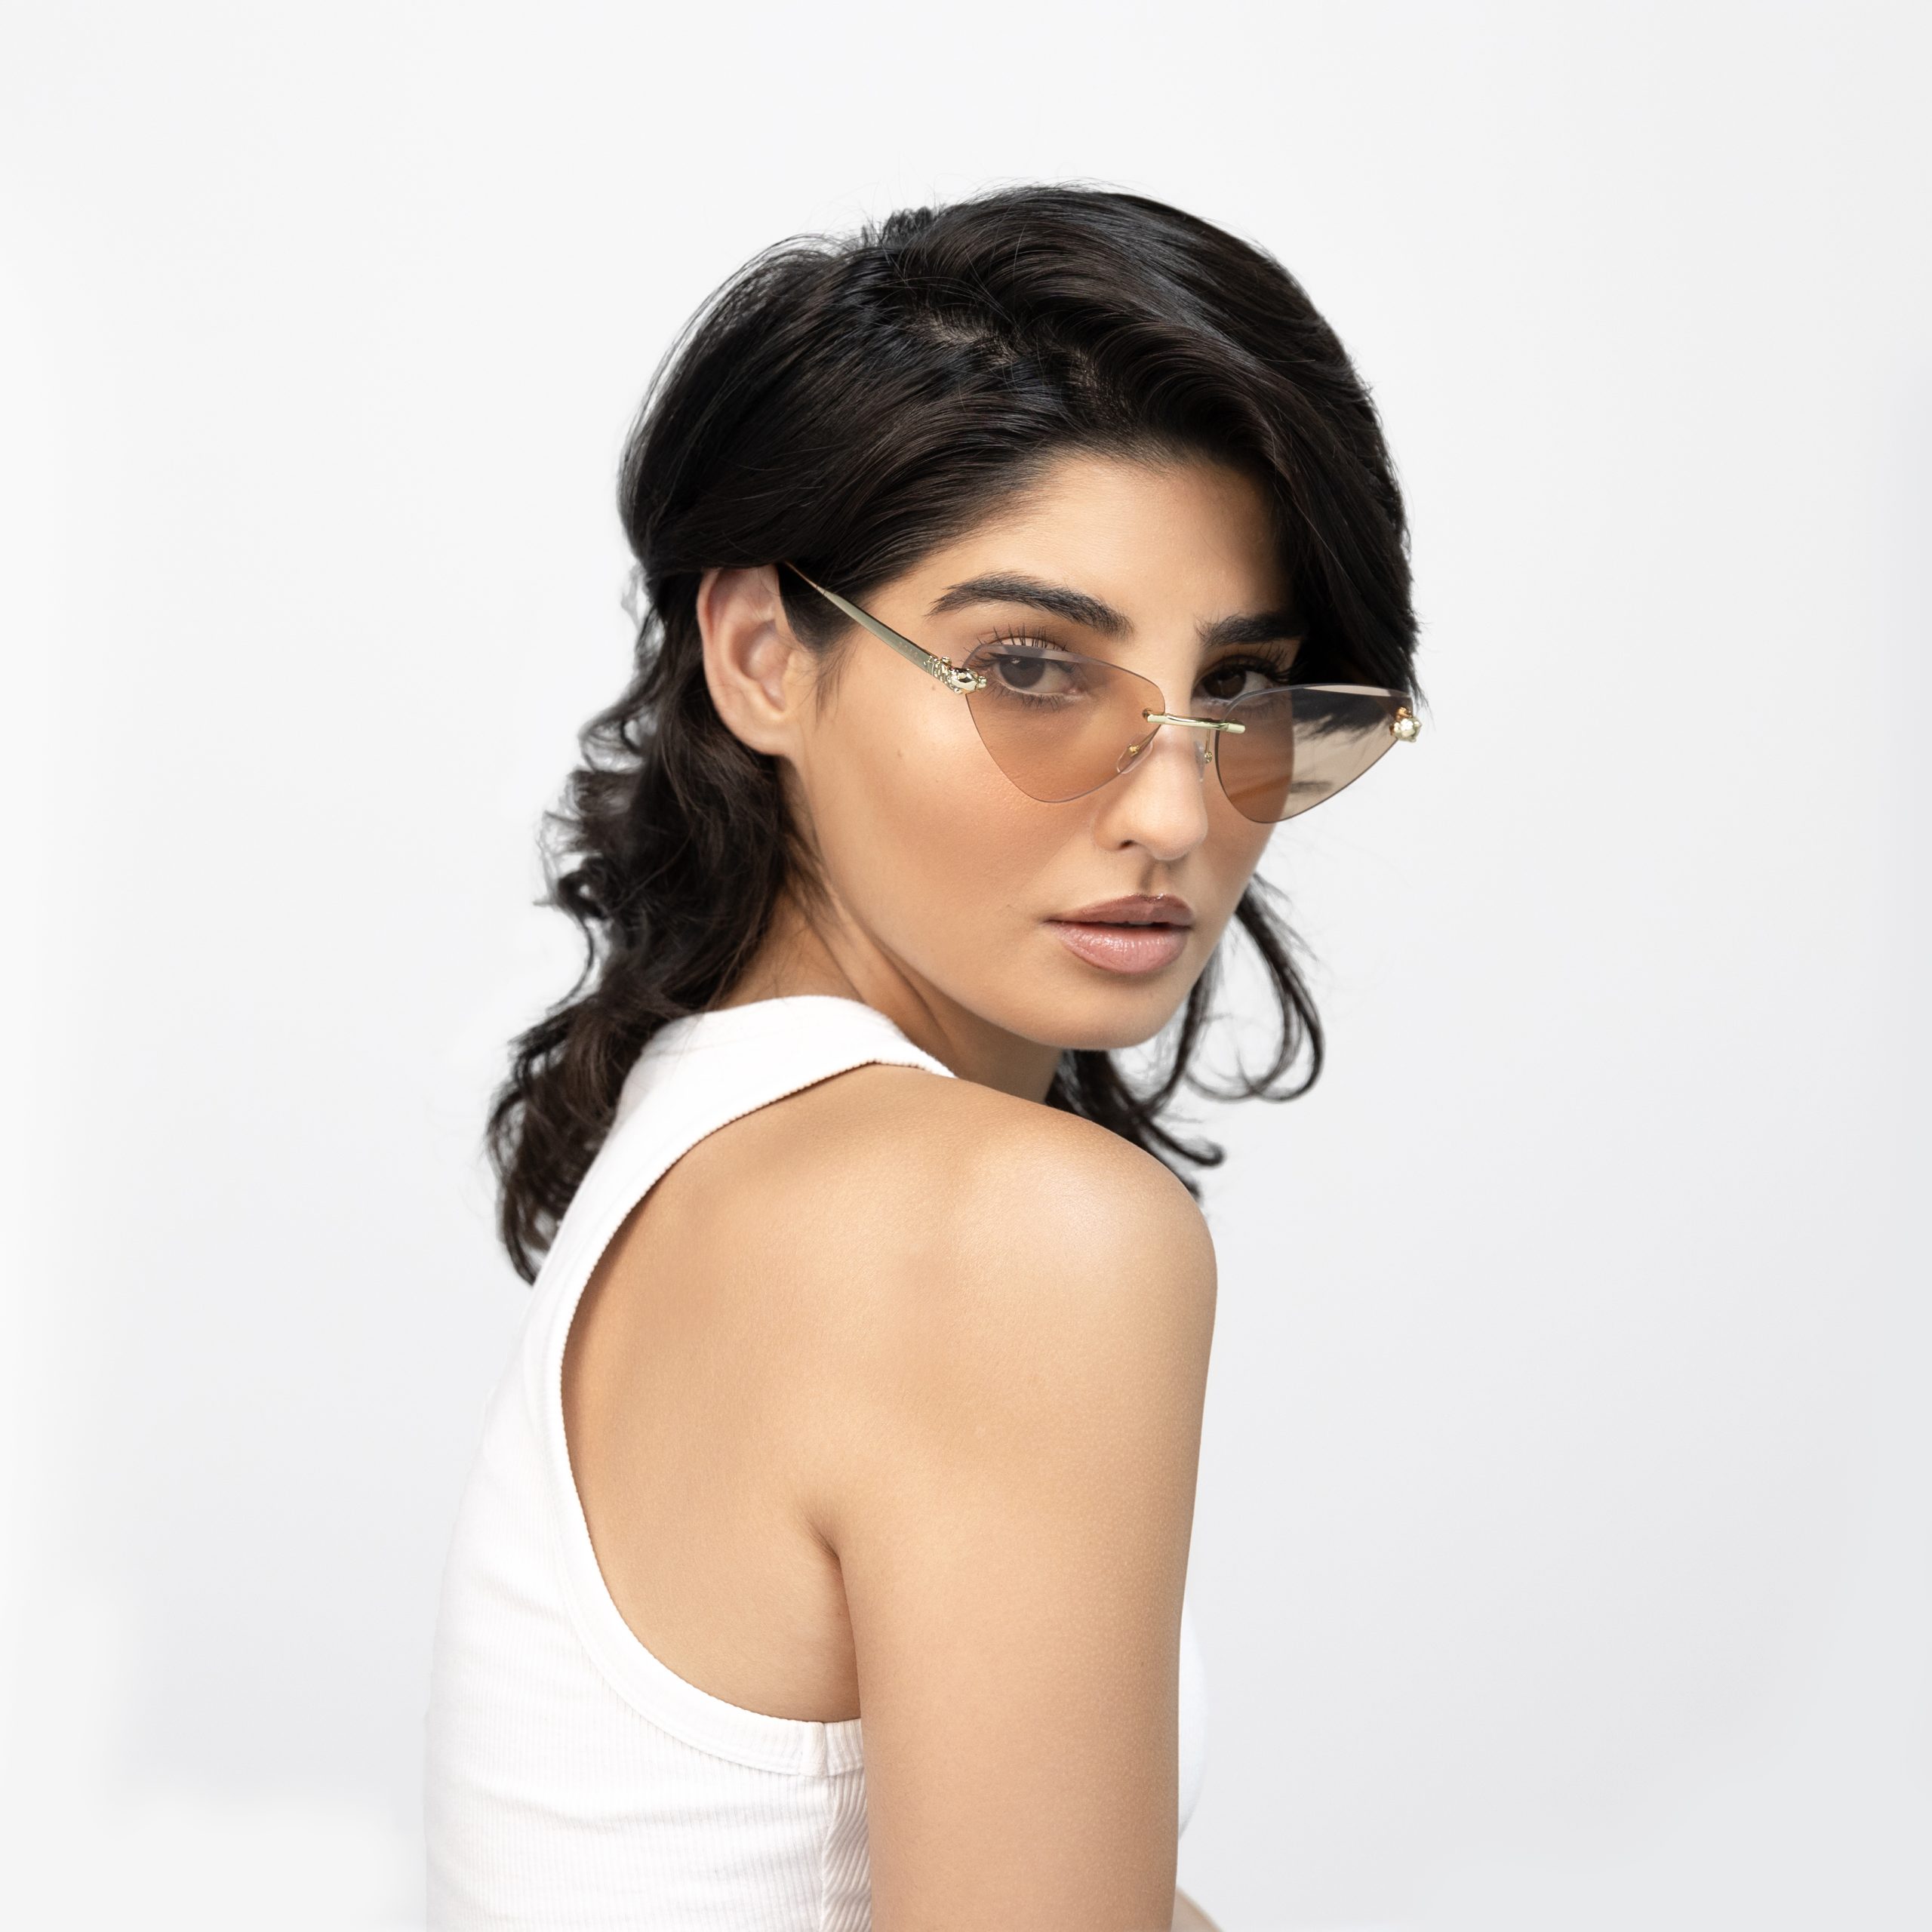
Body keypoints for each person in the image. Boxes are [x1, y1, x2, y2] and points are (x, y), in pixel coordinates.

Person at [423, 183, 1420, 1932]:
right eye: (1030, 666)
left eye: (1241, 685)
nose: (1175, 808)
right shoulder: (1003, 1229)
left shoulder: (707, 1134)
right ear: (760, 655)